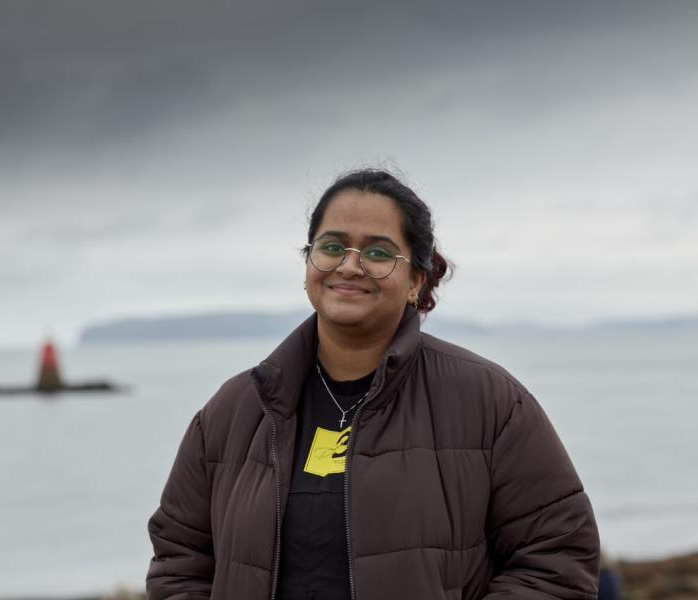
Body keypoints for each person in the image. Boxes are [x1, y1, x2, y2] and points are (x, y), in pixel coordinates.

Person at [146, 169, 600, 600]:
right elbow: (179, 561)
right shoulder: (234, 411)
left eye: (379, 253)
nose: (350, 266)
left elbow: (557, 557)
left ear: (416, 282)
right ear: (308, 262)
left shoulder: (491, 403)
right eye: (331, 247)